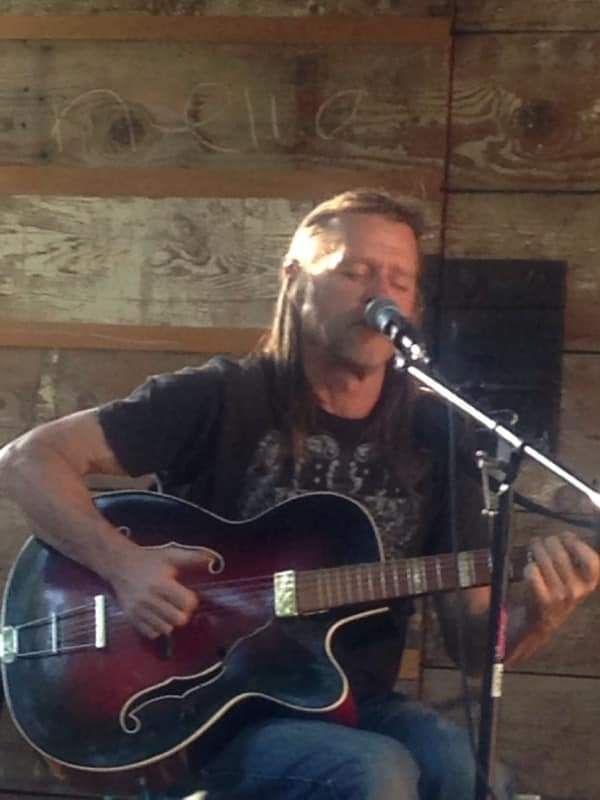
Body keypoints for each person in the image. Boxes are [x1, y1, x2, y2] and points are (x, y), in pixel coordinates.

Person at [0, 188, 598, 800]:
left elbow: (473, 644)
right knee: (374, 773)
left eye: (399, 281)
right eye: (354, 272)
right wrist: (125, 567)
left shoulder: (437, 434)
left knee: (463, 770)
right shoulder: (220, 397)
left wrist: (537, 617)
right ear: (294, 280)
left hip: (351, 702)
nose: (380, 296)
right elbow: (27, 461)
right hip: (207, 708)